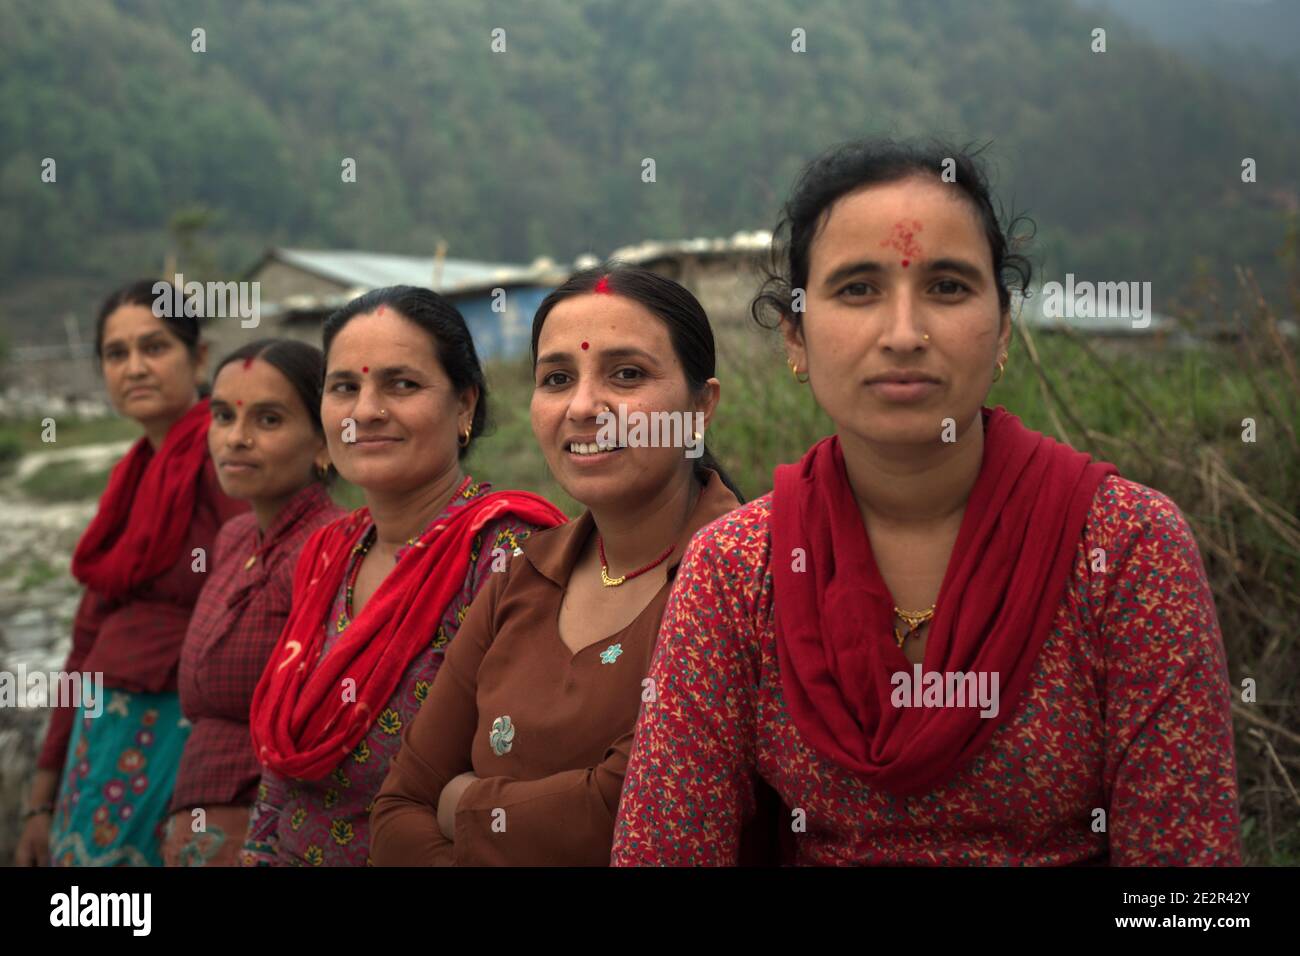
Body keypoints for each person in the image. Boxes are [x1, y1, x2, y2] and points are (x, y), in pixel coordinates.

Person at [611, 139, 1243, 866]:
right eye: (857, 289)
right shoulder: (735, 570)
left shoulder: (1126, 547)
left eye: (947, 288)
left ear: (1003, 328)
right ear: (795, 335)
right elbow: (666, 849)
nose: (904, 335)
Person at [369, 266, 750, 866]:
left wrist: (461, 805)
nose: (583, 407)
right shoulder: (518, 581)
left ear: (701, 406)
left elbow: (626, 812)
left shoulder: (744, 577)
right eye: (556, 378)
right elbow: (397, 810)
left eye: (627, 374)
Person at [241, 286, 566, 866]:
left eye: (402, 384)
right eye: (345, 387)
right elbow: (279, 786)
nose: (366, 411)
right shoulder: (325, 555)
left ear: (464, 406)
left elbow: (521, 776)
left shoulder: (508, 553)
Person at [15, 278, 249, 867]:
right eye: (117, 354)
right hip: (101, 739)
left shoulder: (230, 461)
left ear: (198, 357)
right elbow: (86, 636)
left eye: (155, 347)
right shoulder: (130, 478)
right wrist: (41, 797)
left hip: (182, 735)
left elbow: (255, 609)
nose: (135, 368)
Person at [162, 339, 344, 866]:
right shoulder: (236, 537)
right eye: (222, 416)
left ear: (323, 444)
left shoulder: (329, 547)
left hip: (265, 834)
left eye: (268, 420)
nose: (235, 439)